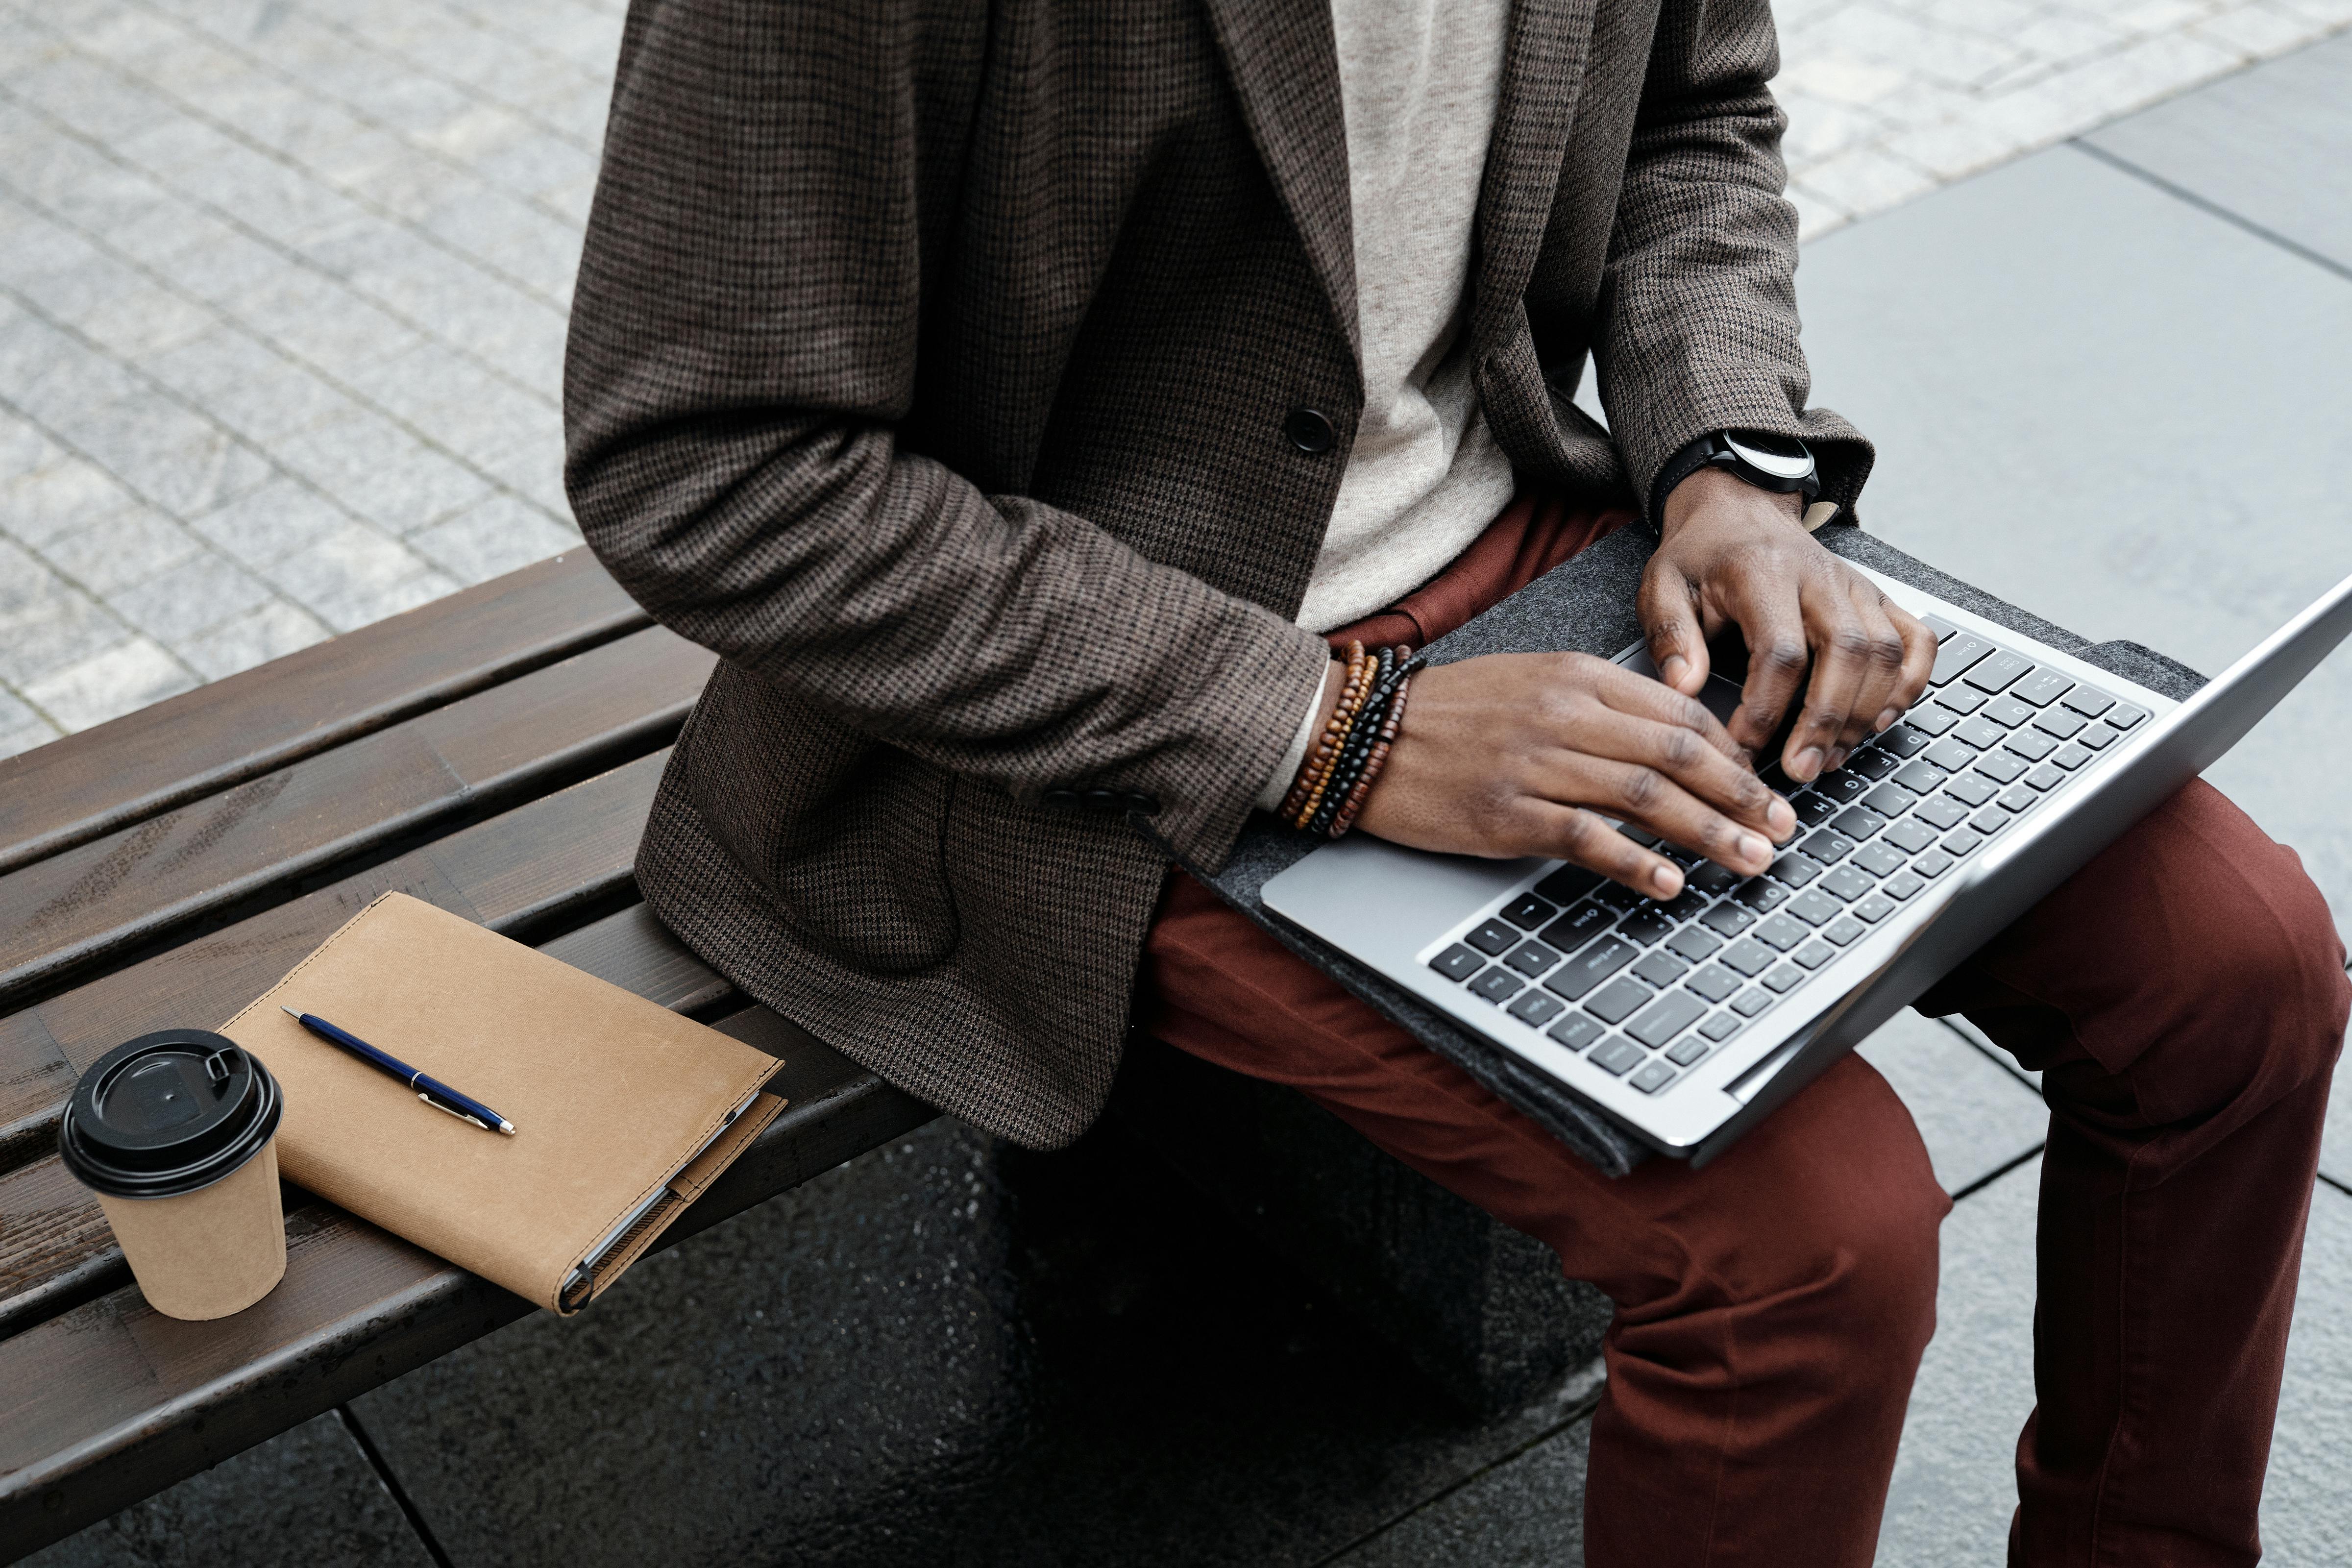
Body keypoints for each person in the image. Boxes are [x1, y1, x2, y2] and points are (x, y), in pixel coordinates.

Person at [563, 0, 2349, 1560]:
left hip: (1559, 542)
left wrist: (1727, 465)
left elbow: (1692, 115)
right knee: (1815, 1245)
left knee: (2247, 967)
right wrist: (1334, 734)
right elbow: (714, 467)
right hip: (1114, 698)